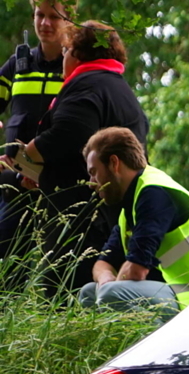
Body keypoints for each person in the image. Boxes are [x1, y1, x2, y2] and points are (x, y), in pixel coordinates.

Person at [20, 20, 149, 296]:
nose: (63, 58)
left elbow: (67, 136)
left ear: (78, 54)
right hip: (112, 213)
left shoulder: (87, 86)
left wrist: (28, 152)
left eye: (66, 51)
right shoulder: (116, 86)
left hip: (82, 220)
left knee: (65, 292)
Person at [79, 127, 189, 319]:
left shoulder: (155, 193)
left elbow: (136, 270)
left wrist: (109, 287)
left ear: (114, 163)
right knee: (89, 293)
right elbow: (102, 263)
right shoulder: (130, 208)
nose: (91, 183)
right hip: (179, 292)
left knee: (112, 295)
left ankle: (159, 340)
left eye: (94, 172)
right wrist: (105, 279)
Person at [0, 1, 71, 280]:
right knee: (8, 269)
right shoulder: (18, 64)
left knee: (60, 274)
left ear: (69, 20)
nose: (45, 23)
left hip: (61, 185)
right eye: (40, 15)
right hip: (15, 185)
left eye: (55, 17)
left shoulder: (76, 66)